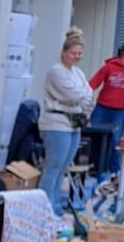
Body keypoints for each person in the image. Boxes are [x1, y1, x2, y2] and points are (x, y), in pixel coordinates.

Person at [38, 27, 94, 216]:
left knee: (63, 168)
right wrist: (82, 97)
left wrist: (83, 97)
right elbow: (73, 95)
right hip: (56, 123)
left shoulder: (77, 72)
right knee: (52, 167)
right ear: (63, 53)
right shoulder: (56, 71)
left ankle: (57, 206)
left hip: (73, 123)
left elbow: (88, 93)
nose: (76, 57)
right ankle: (45, 207)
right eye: (73, 53)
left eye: (79, 53)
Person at [89, 44, 124, 173]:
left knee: (114, 141)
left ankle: (114, 172)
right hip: (102, 108)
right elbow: (92, 85)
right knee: (93, 137)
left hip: (120, 111)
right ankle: (92, 168)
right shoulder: (108, 67)